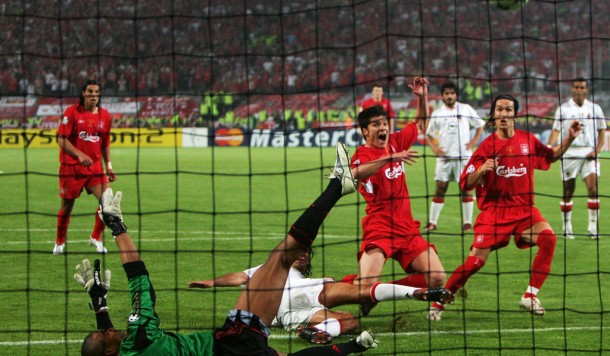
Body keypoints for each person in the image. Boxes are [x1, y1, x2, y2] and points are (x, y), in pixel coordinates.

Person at [74, 143, 381, 356]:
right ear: (111, 348)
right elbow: (139, 279)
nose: (110, 330)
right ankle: (337, 187)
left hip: (234, 348)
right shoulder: (139, 340)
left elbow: (112, 343)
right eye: (105, 333)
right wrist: (116, 227)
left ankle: (356, 346)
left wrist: (100, 306)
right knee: (281, 258)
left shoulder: (125, 350)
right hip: (234, 343)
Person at [428, 95, 583, 321]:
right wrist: (481, 170)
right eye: (499, 109)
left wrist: (569, 137)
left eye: (508, 109)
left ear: (514, 115)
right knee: (475, 263)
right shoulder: (486, 146)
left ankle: (530, 296)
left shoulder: (528, 140)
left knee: (549, 238)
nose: (503, 113)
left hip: (524, 210)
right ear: (494, 116)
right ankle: (438, 302)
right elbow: (465, 184)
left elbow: (552, 155)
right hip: (495, 212)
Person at [189, 250, 453, 344]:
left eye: (306, 255)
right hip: (295, 295)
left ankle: (314, 332)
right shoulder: (273, 268)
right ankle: (416, 293)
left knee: (350, 322)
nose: (303, 255)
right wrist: (214, 281)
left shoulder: (285, 272)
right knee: (358, 290)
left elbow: (241, 278)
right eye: (300, 252)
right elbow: (239, 276)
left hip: (288, 316)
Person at [350, 77, 447, 317]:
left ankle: (381, 292)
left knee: (436, 278)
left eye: (384, 123)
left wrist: (422, 96)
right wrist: (387, 159)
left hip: (407, 229)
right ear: (365, 131)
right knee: (363, 289)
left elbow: (420, 123)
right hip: (380, 228)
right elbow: (355, 173)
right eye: (376, 125)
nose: (383, 128)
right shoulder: (362, 154)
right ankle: (342, 288)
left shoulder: (395, 142)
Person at [54, 79, 116, 255]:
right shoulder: (72, 112)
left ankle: (96, 237)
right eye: (90, 92)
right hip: (71, 168)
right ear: (83, 93)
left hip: (94, 168)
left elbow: (105, 144)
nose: (93, 96)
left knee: (108, 203)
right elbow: (61, 139)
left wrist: (109, 166)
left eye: (96, 93)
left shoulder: (105, 116)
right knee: (67, 207)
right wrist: (79, 155)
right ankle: (60, 242)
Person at [546, 77, 606, 239]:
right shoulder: (563, 109)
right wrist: (549, 148)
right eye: (576, 87)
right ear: (572, 89)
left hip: (589, 153)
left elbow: (602, 131)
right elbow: (556, 131)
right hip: (569, 153)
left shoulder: (595, 108)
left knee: (593, 190)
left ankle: (593, 229)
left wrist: (598, 150)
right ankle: (567, 227)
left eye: (582, 87)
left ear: (586, 90)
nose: (579, 90)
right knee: (568, 191)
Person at [424, 82, 486, 231]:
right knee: (440, 188)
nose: (449, 96)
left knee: (466, 189)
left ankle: (467, 224)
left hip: (464, 158)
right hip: (444, 159)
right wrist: (435, 148)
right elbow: (429, 134)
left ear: (456, 95)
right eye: (446, 93)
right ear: (443, 96)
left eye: (452, 93)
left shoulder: (465, 109)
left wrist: (474, 141)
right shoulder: (438, 113)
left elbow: (480, 124)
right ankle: (432, 223)